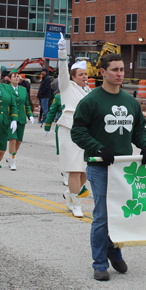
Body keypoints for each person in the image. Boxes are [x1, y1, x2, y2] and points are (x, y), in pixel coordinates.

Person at [71, 51, 146, 281]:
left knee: (119, 213)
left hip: (123, 168)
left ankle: (113, 248)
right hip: (99, 166)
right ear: (102, 72)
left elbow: (138, 130)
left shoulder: (130, 101)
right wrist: (97, 148)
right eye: (114, 70)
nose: (119, 74)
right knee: (102, 215)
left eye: (122, 70)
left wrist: (145, 146)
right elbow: (77, 132)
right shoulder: (90, 101)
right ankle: (99, 263)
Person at [56, 35, 91, 218]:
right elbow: (62, 69)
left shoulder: (89, 91)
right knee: (75, 168)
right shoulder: (67, 86)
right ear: (73, 76)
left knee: (87, 169)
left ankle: (70, 194)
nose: (84, 77)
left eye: (85, 74)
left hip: (87, 134)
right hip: (69, 130)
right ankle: (76, 203)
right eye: (81, 74)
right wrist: (62, 52)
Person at [6, 69, 34, 170]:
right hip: (10, 118)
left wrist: (30, 114)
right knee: (12, 140)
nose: (17, 78)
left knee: (18, 141)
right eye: (14, 76)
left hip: (21, 117)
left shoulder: (22, 90)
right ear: (10, 79)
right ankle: (13, 161)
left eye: (18, 76)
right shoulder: (6, 88)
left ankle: (11, 156)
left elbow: (26, 104)